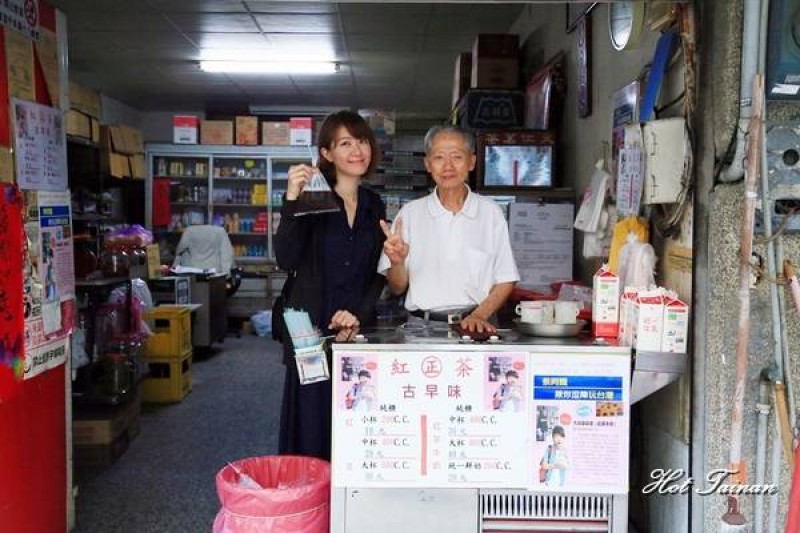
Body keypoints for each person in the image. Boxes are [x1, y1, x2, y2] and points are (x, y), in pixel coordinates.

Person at [274, 110, 386, 460]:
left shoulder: (373, 204)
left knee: (356, 415)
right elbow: (286, 258)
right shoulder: (314, 196)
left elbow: (378, 272)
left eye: (362, 141)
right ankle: (311, 493)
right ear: (326, 153)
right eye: (345, 143)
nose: (357, 150)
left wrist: (358, 314)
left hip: (355, 327)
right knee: (311, 423)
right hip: (307, 329)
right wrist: (291, 198)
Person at [378, 125, 519, 333]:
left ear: (472, 162)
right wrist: (397, 262)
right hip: (420, 328)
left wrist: (479, 315)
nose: (448, 166)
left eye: (457, 157)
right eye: (439, 157)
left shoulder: (490, 213)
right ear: (427, 164)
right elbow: (397, 287)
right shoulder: (410, 214)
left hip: (476, 324)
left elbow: (506, 277)